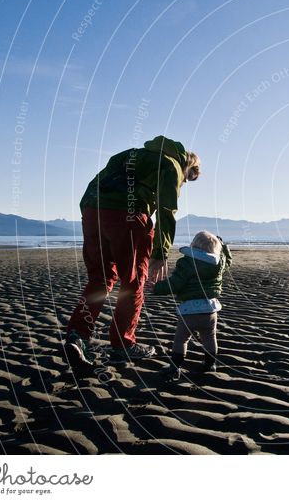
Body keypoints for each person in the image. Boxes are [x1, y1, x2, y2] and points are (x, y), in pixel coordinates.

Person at [64, 135, 200, 375]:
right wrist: (161, 252)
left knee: (100, 278)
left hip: (91, 208)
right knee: (134, 280)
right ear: (189, 166)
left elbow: (100, 182)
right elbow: (167, 210)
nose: (184, 183)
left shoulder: (130, 153)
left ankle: (77, 336)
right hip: (127, 215)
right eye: (188, 179)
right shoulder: (172, 165)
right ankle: (123, 343)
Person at [152, 230, 232, 381]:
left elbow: (175, 283)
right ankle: (210, 364)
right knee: (209, 337)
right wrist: (224, 247)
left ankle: (175, 367)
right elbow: (227, 261)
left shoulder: (187, 262)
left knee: (181, 339)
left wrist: (157, 288)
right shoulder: (218, 264)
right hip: (210, 310)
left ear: (193, 244)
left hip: (189, 311)